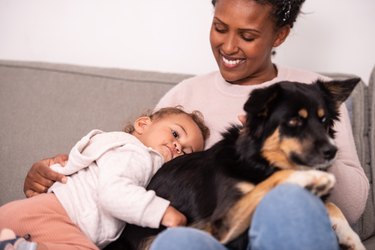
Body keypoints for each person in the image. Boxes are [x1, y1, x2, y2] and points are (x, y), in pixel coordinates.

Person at [22, 0, 369, 249]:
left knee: (288, 202)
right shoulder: (184, 94)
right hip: (207, 233)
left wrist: (301, 144)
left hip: (281, 226)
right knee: (179, 242)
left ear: (279, 35)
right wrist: (67, 173)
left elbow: (353, 205)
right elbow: (138, 172)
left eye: (247, 35)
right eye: (219, 28)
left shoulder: (317, 92)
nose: (228, 45)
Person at [0, 107, 210, 250]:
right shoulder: (137, 154)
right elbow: (113, 194)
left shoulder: (113, 149)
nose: (177, 146)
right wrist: (164, 212)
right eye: (175, 134)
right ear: (143, 124)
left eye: (186, 152)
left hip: (28, 215)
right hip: (55, 216)